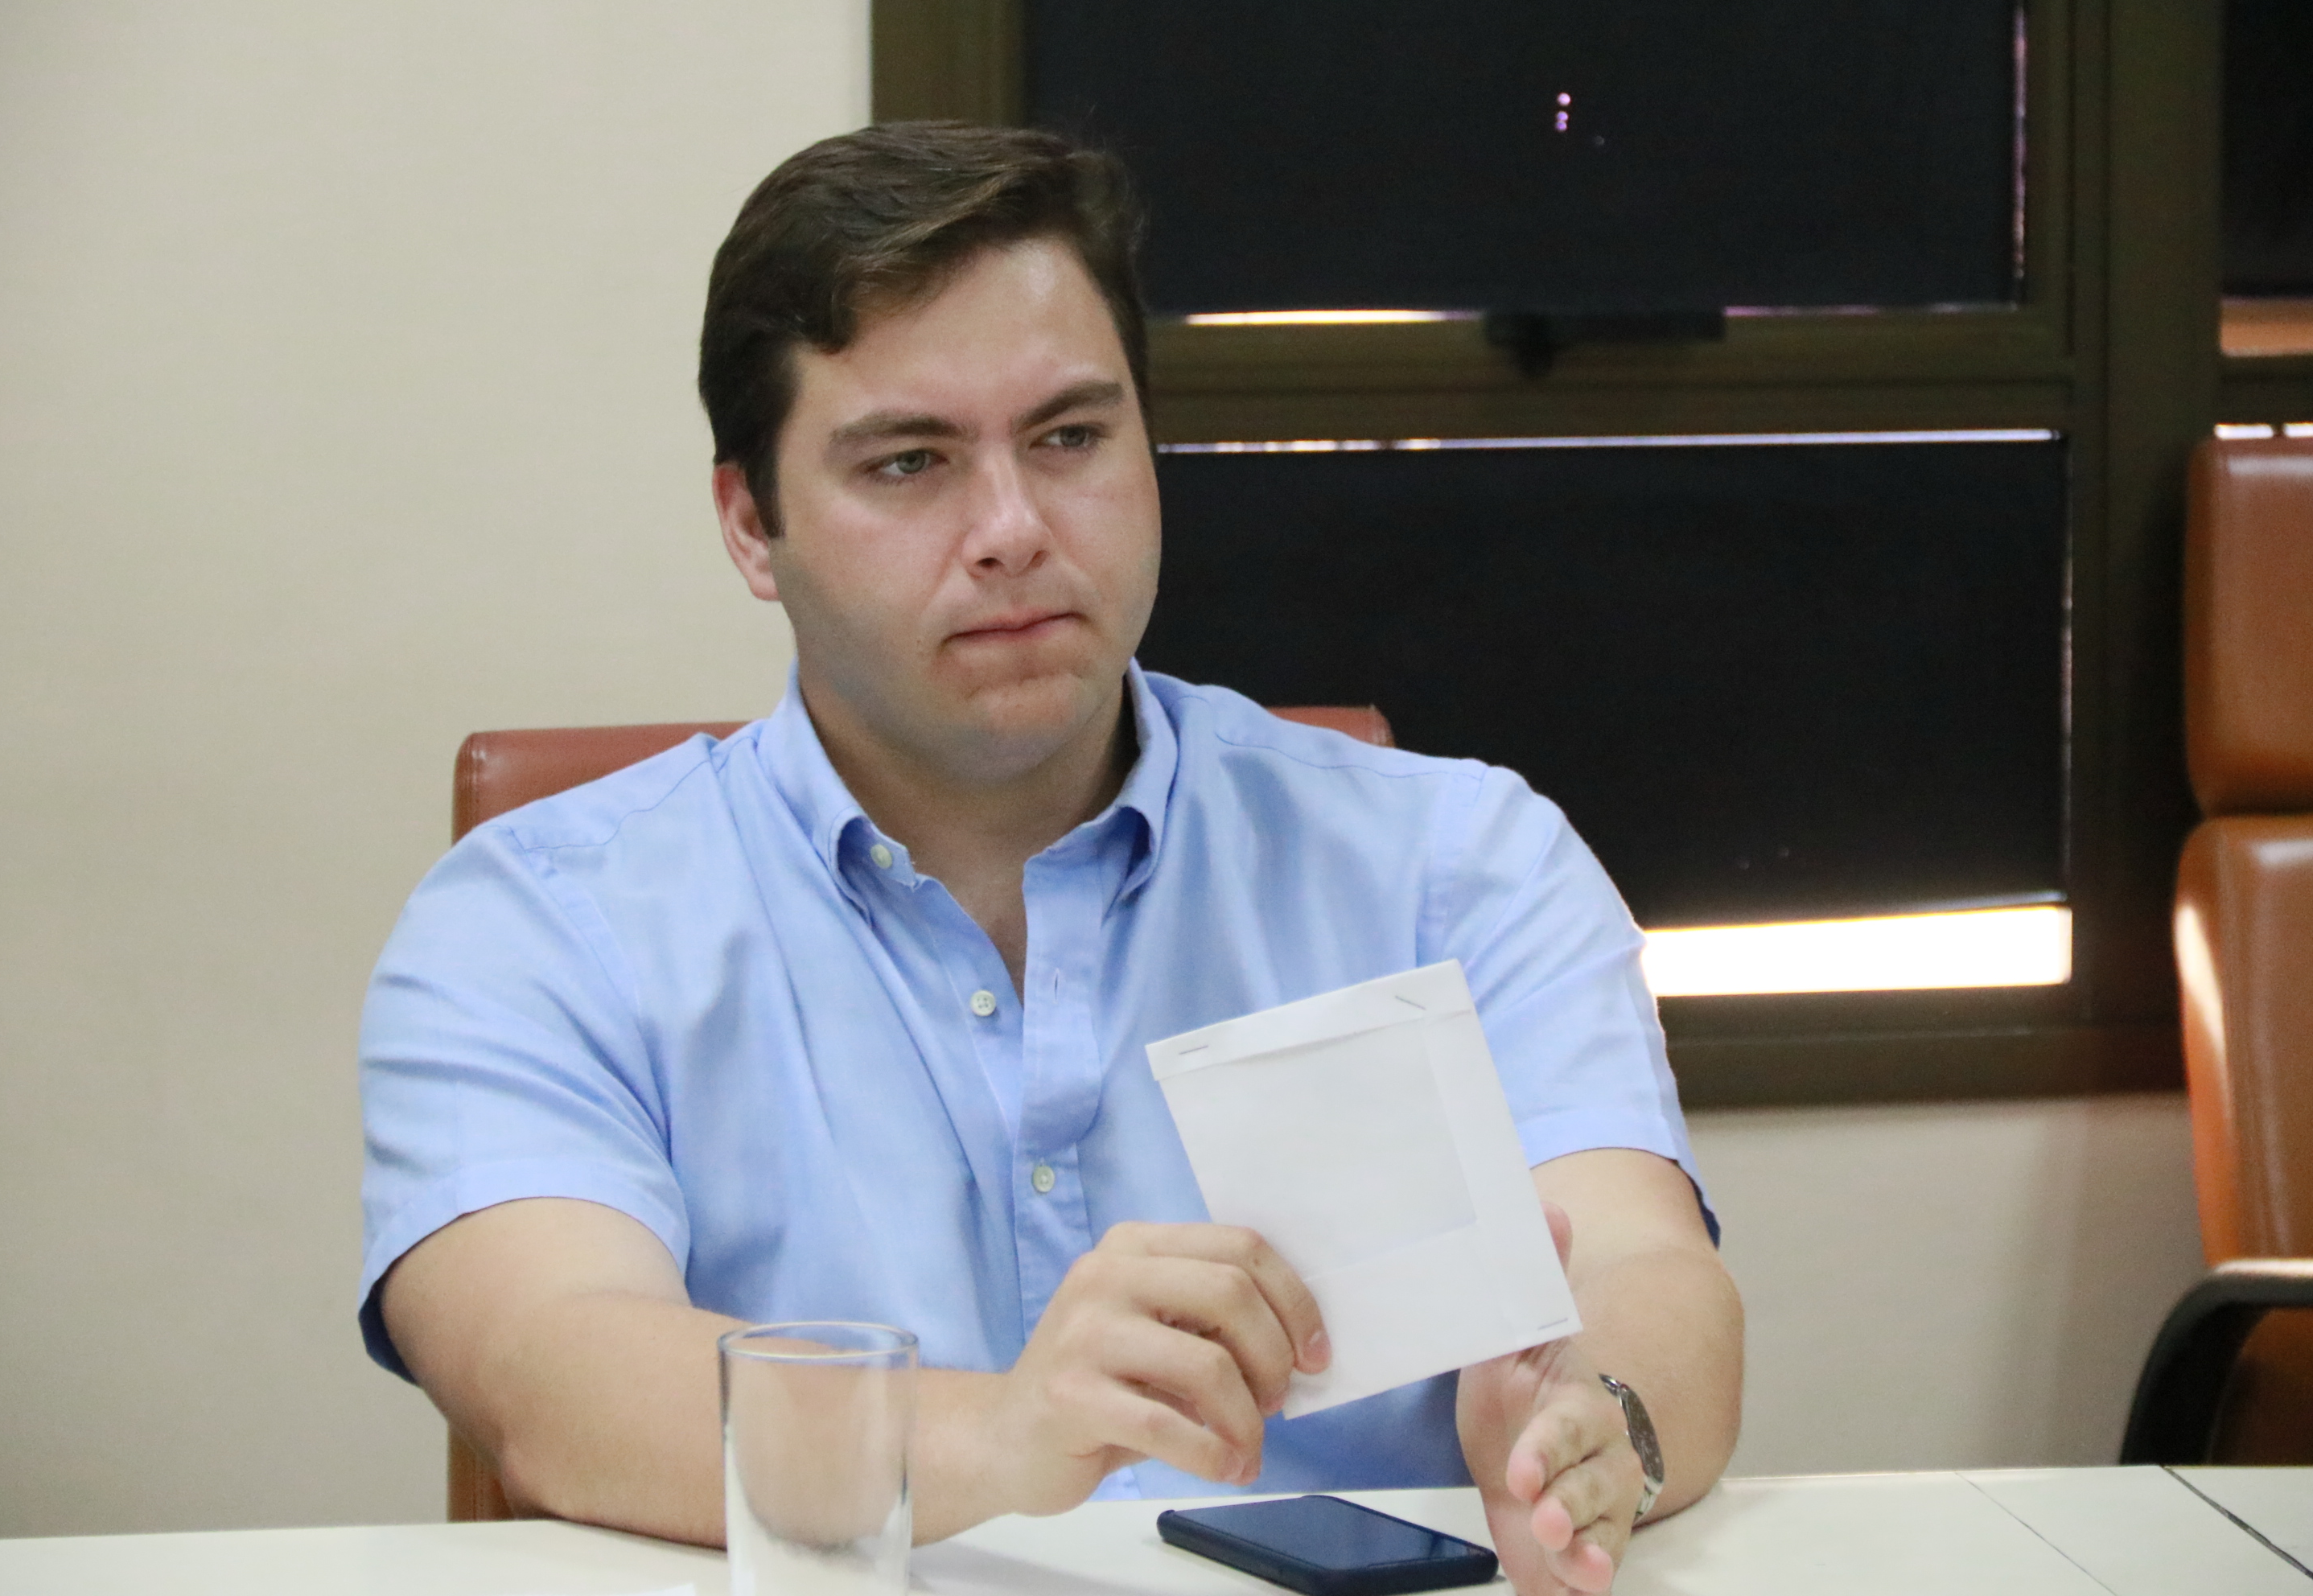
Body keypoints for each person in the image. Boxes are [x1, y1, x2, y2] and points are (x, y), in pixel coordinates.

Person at [360, 121, 1742, 1596]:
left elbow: (1645, 1268)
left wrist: (1597, 1430)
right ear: (753, 525)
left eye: (1071, 439)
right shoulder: (538, 926)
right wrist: (1002, 1434)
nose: (1013, 530)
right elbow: (550, 1370)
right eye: (910, 463)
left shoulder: (1456, 864)